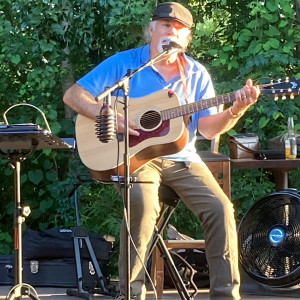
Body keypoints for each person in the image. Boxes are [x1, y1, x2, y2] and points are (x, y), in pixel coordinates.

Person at [63, 2, 260, 299]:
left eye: (180, 28)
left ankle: (225, 294)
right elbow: (74, 94)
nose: (173, 31)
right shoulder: (125, 64)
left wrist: (235, 110)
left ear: (187, 38)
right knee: (142, 205)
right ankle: (131, 293)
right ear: (152, 29)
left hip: (183, 160)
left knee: (221, 209)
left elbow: (207, 129)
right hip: (136, 158)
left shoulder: (195, 74)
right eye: (167, 25)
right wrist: (104, 113)